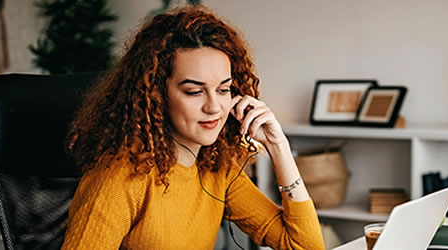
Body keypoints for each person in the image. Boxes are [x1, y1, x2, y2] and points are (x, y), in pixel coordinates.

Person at [62, 5, 323, 249]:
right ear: (157, 95)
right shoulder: (118, 178)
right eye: (194, 92)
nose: (214, 107)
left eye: (224, 89)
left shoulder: (218, 167)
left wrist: (279, 147)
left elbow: (304, 246)